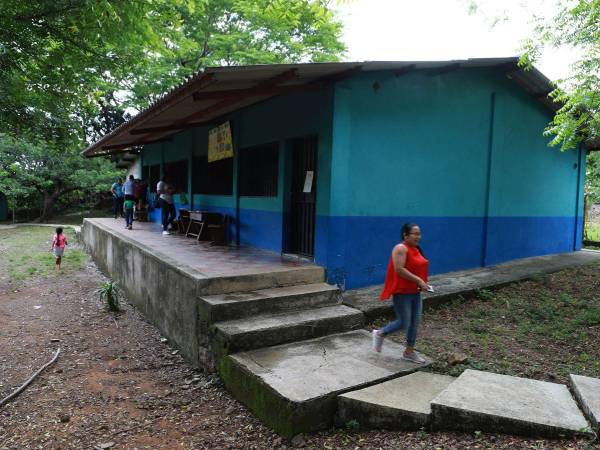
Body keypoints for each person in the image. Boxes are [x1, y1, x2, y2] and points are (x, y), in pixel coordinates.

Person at [372, 223, 431, 363]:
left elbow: (417, 268)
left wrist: (424, 284)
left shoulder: (416, 249)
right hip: (402, 292)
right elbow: (399, 269)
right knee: (404, 322)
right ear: (405, 235)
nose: (418, 236)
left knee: (414, 323)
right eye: (415, 233)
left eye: (419, 233)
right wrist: (419, 280)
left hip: (415, 292)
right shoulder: (400, 248)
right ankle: (380, 333)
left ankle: (409, 352)